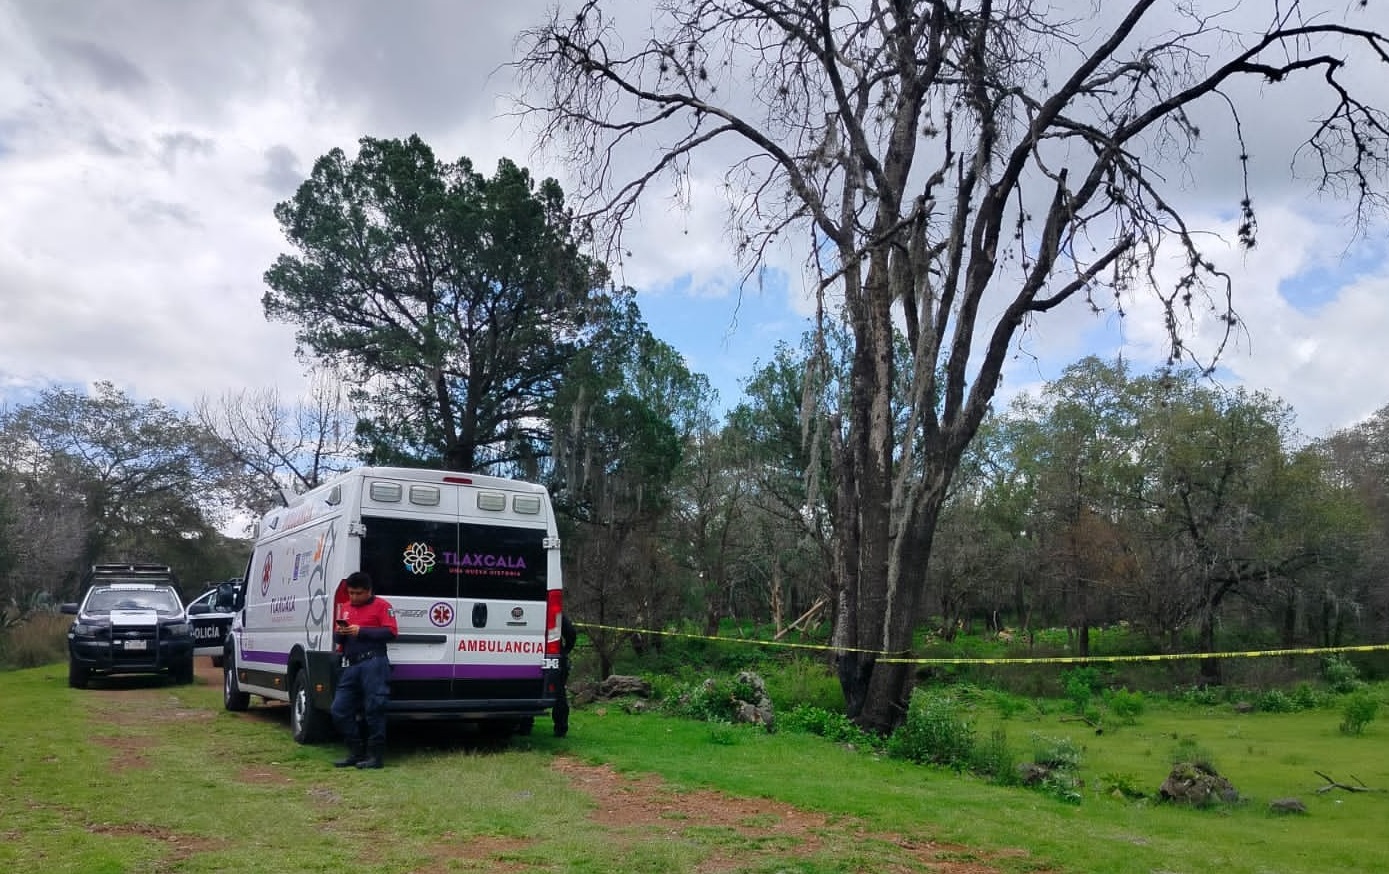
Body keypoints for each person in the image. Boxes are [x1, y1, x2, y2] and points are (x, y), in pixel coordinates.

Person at [330, 571, 398, 769]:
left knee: (374, 709)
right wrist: (341, 633)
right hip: (351, 664)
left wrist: (361, 631)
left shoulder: (382, 606)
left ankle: (375, 756)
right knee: (339, 709)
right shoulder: (346, 608)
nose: (354, 597)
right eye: (351, 593)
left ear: (369, 591)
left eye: (358, 593)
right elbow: (338, 640)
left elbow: (391, 632)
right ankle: (355, 751)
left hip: (373, 662)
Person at [553, 612, 577, 738]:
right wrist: (566, 650)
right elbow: (571, 634)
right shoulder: (556, 614)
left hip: (530, 653)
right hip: (555, 655)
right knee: (559, 693)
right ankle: (561, 728)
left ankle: (525, 726)